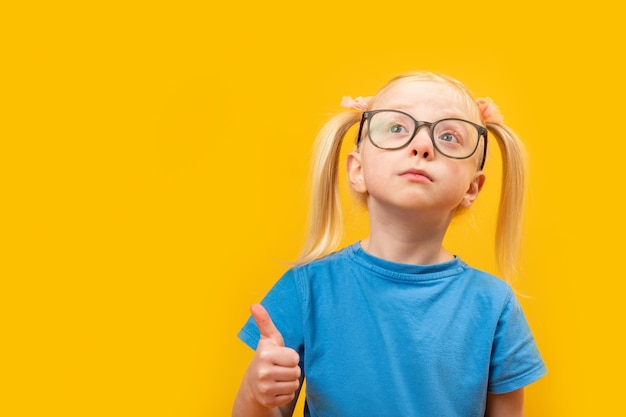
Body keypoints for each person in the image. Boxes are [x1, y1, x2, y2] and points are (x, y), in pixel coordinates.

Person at [232, 71, 547, 417]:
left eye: (448, 136)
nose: (422, 146)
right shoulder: (307, 289)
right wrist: (255, 392)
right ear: (357, 170)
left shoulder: (494, 305)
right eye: (396, 128)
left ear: (472, 188)